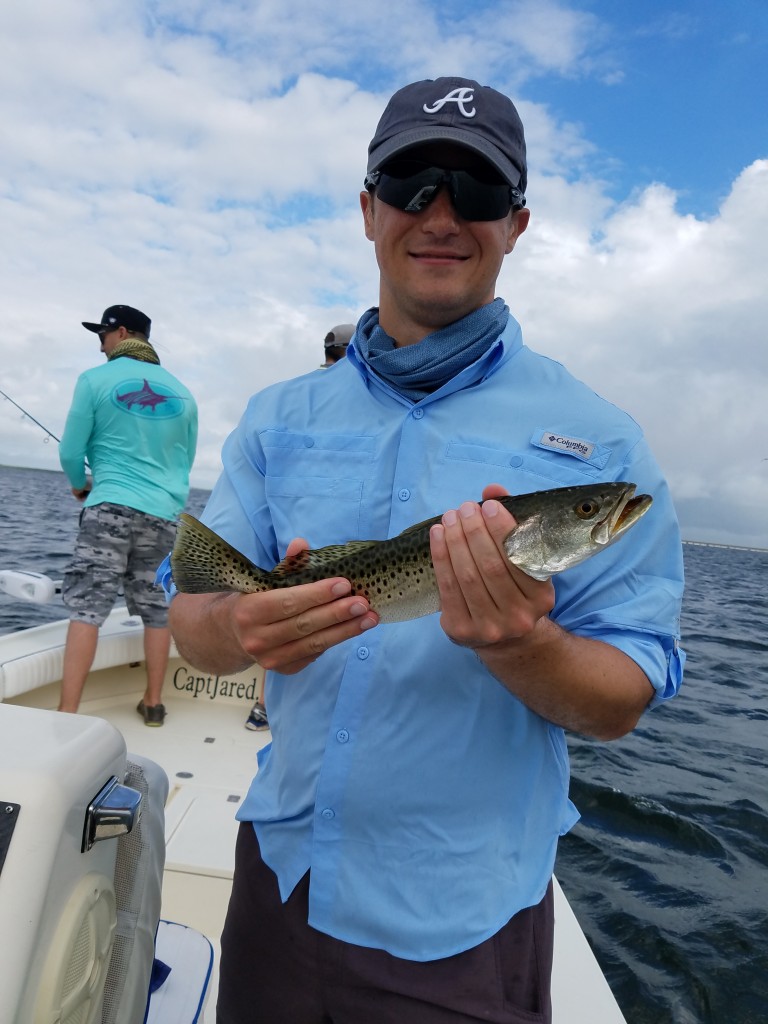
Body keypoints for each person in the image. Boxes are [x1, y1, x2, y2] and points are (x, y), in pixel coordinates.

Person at [164, 77, 685, 1023]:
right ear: (368, 210)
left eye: (477, 193)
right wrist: (241, 623)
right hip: (278, 881)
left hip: (463, 922)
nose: (440, 215)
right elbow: (194, 627)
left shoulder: (601, 440)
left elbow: (625, 696)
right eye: (410, 186)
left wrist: (522, 643)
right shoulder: (278, 418)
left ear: (517, 223)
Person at [59, 304, 197, 725]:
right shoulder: (184, 394)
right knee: (158, 610)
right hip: (164, 516)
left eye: (102, 334)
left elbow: (70, 452)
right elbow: (184, 461)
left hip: (109, 505)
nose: (99, 343)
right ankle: (154, 703)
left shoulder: (93, 380)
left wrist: (81, 485)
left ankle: (67, 714)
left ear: (120, 333)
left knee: (87, 607)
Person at [244, 321, 356, 733]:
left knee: (279, 599)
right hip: (349, 554)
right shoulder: (348, 401)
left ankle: (262, 704)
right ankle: (264, 705)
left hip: (305, 549)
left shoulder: (295, 399)